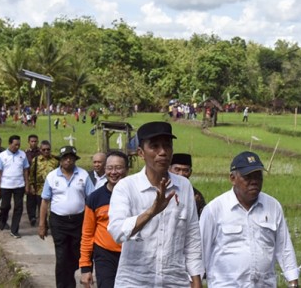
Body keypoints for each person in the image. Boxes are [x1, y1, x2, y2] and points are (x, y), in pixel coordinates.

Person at [108, 121, 203, 287]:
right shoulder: (126, 187)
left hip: (174, 281)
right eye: (155, 146)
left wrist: (196, 280)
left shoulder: (184, 186)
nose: (162, 152)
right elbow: (117, 232)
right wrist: (152, 211)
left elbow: (192, 236)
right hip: (135, 282)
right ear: (141, 153)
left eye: (167, 146)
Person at [200, 151, 300, 288]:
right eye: (248, 177)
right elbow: (200, 254)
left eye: (258, 176)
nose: (254, 182)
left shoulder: (273, 206)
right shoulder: (214, 210)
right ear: (232, 178)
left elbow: (284, 248)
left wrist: (293, 282)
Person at [38, 146, 94, 288]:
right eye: (65, 158)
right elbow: (45, 201)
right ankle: (64, 285)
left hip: (78, 221)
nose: (68, 160)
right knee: (62, 256)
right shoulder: (52, 176)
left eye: (71, 158)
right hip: (59, 222)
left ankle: (70, 275)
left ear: (75, 159)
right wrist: (42, 224)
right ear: (60, 160)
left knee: (77, 254)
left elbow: (91, 199)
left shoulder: (83, 175)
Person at [79, 151, 129, 288]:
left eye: (118, 168)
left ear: (127, 170)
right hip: (105, 256)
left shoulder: (136, 195)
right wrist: (85, 267)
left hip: (132, 255)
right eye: (109, 168)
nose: (113, 172)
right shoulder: (95, 198)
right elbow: (87, 234)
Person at [0, 135, 30, 238]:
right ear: (10, 144)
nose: (17, 147)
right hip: (6, 185)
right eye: (15, 145)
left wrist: (27, 185)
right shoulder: (2, 156)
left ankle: (14, 230)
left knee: (19, 207)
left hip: (19, 185)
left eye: (19, 145)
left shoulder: (22, 155)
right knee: (5, 206)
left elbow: (26, 171)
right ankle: (2, 219)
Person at [27, 140, 59, 227]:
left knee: (52, 208)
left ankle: (53, 224)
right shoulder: (36, 160)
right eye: (44, 149)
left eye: (48, 149)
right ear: (40, 150)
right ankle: (43, 224)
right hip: (40, 188)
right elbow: (32, 174)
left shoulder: (55, 161)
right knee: (42, 207)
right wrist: (32, 186)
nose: (46, 151)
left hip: (53, 188)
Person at [169, 153, 206, 218]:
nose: (181, 174)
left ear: (190, 172)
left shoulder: (196, 196)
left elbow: (202, 219)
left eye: (185, 170)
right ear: (169, 169)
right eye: (177, 169)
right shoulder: (161, 190)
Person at [24, 134, 40, 225]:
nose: (33, 143)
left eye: (35, 141)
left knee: (40, 199)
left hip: (39, 179)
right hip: (29, 178)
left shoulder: (41, 152)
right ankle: (32, 217)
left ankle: (41, 217)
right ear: (29, 142)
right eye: (32, 141)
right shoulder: (25, 153)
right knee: (30, 199)